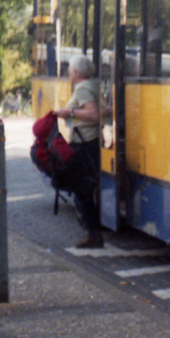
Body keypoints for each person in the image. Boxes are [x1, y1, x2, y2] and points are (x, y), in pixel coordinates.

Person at [57, 54, 102, 248]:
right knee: (86, 188)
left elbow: (93, 114)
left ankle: (93, 234)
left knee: (81, 188)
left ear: (75, 73)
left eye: (69, 71)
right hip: (91, 143)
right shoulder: (95, 84)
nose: (68, 74)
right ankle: (94, 232)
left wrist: (68, 112)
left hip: (84, 145)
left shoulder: (82, 88)